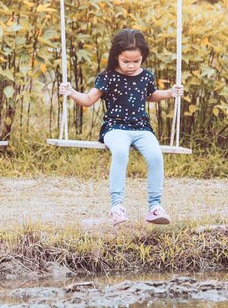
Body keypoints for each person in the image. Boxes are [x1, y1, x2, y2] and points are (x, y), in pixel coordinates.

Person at [59, 28, 183, 226]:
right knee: (120, 153)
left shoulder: (146, 76)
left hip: (142, 128)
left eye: (136, 61)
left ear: (143, 57)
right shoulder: (107, 77)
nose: (131, 66)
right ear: (116, 56)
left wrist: (169, 93)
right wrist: (72, 92)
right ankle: (117, 206)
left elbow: (150, 96)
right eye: (126, 61)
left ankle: (155, 206)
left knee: (155, 155)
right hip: (115, 128)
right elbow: (88, 100)